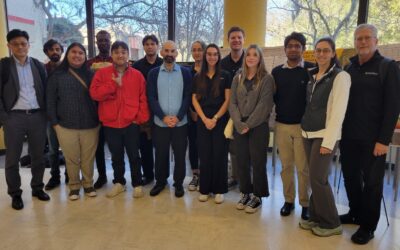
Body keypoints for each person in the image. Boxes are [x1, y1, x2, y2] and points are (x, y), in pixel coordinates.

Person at [340, 24, 400, 245]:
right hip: (349, 137)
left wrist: (384, 140)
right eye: (358, 38)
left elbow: (393, 106)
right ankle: (355, 212)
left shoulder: (388, 67)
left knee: (373, 183)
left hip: (373, 140)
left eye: (367, 38)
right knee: (350, 178)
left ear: (376, 41)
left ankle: (368, 226)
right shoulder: (349, 69)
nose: (362, 42)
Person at [299, 37, 351, 237]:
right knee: (314, 178)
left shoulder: (340, 77)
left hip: (325, 135)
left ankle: (331, 222)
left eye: (325, 50)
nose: (321, 54)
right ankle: (315, 216)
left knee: (318, 178)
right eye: (318, 50)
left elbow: (338, 112)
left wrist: (328, 143)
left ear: (332, 53)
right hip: (307, 132)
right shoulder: (312, 75)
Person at [91, 41, 150, 198]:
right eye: (116, 52)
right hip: (110, 123)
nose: (120, 55)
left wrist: (140, 118)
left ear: (128, 55)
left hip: (131, 122)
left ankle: (137, 183)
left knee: (134, 155)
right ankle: (119, 182)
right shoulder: (102, 74)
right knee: (116, 155)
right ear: (112, 55)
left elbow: (143, 98)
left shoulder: (137, 75)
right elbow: (94, 94)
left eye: (123, 52)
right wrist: (112, 85)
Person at [0, 29, 50, 210]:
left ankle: (37, 188)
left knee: (38, 157)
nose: (20, 47)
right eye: (16, 44)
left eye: (23, 43)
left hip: (37, 117)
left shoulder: (38, 65)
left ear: (28, 45)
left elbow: (45, 91)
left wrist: (45, 114)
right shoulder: (3, 66)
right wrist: (4, 117)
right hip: (14, 118)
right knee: (12, 159)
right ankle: (15, 194)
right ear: (9, 46)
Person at [47, 42, 99, 201]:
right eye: (74, 52)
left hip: (91, 124)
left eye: (81, 53)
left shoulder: (92, 75)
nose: (77, 56)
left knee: (88, 158)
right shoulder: (57, 75)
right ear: (67, 54)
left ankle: (88, 183)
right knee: (71, 158)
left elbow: (99, 98)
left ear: (85, 56)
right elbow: (50, 101)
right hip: (65, 125)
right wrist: (55, 123)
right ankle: (74, 186)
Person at [272, 32, 313, 220]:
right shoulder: (277, 72)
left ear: (303, 49)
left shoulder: (311, 70)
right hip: (282, 126)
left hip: (303, 127)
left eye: (298, 46)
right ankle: (288, 200)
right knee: (286, 166)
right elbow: (271, 98)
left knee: (303, 168)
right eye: (290, 46)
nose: (294, 49)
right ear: (285, 49)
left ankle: (305, 203)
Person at [229, 44, 274, 213]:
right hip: (239, 125)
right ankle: (245, 192)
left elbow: (264, 105)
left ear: (260, 58)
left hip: (258, 126)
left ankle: (257, 195)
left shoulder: (266, 79)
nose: (251, 57)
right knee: (241, 161)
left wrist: (248, 124)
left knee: (258, 161)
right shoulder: (237, 77)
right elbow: (232, 102)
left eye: (255, 54)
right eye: (248, 54)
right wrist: (239, 123)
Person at [147, 40, 192, 198]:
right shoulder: (153, 73)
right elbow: (151, 98)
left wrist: (178, 117)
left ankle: (178, 183)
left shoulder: (186, 72)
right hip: (160, 123)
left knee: (180, 154)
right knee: (160, 154)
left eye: (172, 51)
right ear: (161, 52)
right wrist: (164, 117)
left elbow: (188, 96)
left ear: (177, 53)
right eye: (166, 51)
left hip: (181, 123)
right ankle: (160, 181)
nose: (169, 54)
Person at [192, 43, 231, 204]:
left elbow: (228, 100)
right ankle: (205, 189)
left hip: (220, 120)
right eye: (209, 54)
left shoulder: (225, 75)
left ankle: (219, 189)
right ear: (205, 56)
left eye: (215, 54)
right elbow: (194, 99)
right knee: (205, 155)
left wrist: (214, 119)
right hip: (203, 121)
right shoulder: (197, 77)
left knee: (220, 155)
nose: (212, 57)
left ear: (218, 56)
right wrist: (204, 119)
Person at [132, 34, 163, 186]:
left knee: (161, 146)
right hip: (143, 112)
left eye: (153, 43)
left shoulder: (164, 64)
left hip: (161, 110)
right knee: (145, 146)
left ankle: (161, 176)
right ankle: (148, 174)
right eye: (147, 44)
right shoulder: (136, 66)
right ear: (143, 47)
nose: (150, 46)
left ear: (157, 46)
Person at [87, 30, 113, 189]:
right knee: (98, 147)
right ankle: (102, 175)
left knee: (116, 147)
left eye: (106, 40)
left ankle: (119, 176)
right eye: (100, 40)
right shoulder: (89, 63)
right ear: (96, 42)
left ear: (110, 41)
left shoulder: (117, 60)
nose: (103, 43)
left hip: (113, 110)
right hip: (95, 111)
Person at [221, 26, 245, 189]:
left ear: (244, 40)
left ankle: (245, 180)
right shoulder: (222, 63)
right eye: (233, 38)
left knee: (244, 149)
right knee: (229, 148)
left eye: (239, 37)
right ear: (228, 41)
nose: (236, 40)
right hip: (225, 111)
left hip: (246, 113)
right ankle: (233, 177)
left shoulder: (251, 60)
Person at [42, 39, 68, 190]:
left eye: (58, 49)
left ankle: (70, 176)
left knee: (68, 149)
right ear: (46, 52)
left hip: (67, 115)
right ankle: (55, 177)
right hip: (50, 117)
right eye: (51, 49)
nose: (55, 52)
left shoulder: (67, 69)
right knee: (53, 150)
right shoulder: (42, 69)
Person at [187, 40, 206, 191]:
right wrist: (191, 112)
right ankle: (195, 175)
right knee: (193, 145)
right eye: (194, 50)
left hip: (208, 116)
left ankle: (206, 174)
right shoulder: (187, 72)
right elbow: (185, 94)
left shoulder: (211, 70)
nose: (197, 52)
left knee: (206, 146)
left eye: (200, 49)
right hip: (192, 115)